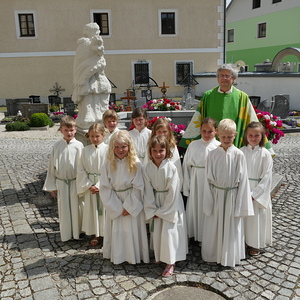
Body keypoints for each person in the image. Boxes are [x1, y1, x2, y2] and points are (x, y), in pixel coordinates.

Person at [201, 119, 254, 267]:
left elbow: (243, 181)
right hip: (217, 196)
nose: (226, 140)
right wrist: (209, 200)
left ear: (235, 135)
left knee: (231, 227)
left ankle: (230, 255)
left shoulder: (238, 155)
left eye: (229, 137)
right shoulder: (212, 154)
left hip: (232, 196)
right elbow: (207, 180)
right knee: (215, 225)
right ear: (217, 134)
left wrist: (241, 204)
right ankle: (214, 254)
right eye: (223, 136)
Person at [179, 64, 260, 150]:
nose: (224, 78)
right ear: (217, 78)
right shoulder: (208, 96)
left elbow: (251, 119)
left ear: (234, 78)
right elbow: (198, 118)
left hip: (233, 143)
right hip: (210, 143)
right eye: (221, 75)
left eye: (227, 76)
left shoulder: (242, 97)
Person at [100, 130, 149, 264]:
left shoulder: (136, 164)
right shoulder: (107, 164)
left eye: (123, 147)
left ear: (129, 146)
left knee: (131, 230)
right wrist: (117, 207)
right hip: (114, 200)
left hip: (131, 200)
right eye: (116, 147)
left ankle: (134, 256)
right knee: (117, 231)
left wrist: (129, 206)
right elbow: (105, 187)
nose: (120, 150)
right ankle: (118, 256)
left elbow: (139, 186)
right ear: (112, 147)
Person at [143, 135, 188, 277]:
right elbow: (147, 189)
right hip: (155, 201)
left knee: (169, 232)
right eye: (154, 151)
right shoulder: (146, 168)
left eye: (161, 150)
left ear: (167, 151)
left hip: (171, 203)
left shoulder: (171, 168)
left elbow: (173, 191)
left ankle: (170, 262)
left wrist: (164, 211)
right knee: (157, 231)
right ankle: (160, 255)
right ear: (150, 151)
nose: (158, 154)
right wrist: (152, 208)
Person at [43, 115, 84, 242]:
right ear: (61, 130)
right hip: (61, 183)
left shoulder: (79, 146)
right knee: (64, 208)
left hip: (75, 182)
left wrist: (83, 184)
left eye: (71, 130)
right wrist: (52, 186)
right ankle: (66, 234)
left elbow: (83, 167)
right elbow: (51, 167)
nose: (69, 133)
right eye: (66, 130)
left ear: (75, 130)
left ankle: (78, 233)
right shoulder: (57, 146)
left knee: (77, 207)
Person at [182, 117, 220, 243]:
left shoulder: (218, 146)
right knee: (196, 205)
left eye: (210, 131)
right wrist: (186, 186)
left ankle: (207, 236)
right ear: (200, 130)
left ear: (216, 131)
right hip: (196, 179)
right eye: (204, 131)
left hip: (211, 181)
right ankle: (194, 233)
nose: (207, 134)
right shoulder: (193, 145)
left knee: (208, 206)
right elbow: (186, 166)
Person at [240, 121, 273, 256]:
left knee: (256, 218)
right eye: (251, 135)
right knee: (244, 219)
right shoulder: (241, 152)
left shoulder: (265, 154)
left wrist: (254, 194)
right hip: (243, 188)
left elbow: (267, 177)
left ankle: (255, 243)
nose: (253, 138)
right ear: (246, 136)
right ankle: (243, 241)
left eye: (257, 135)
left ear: (262, 136)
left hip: (258, 192)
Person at [72, 23, 111, 129]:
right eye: (96, 30)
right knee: (89, 94)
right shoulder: (85, 44)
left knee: (101, 92)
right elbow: (82, 61)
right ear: (90, 31)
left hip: (97, 75)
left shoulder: (95, 42)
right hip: (87, 74)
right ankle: (88, 117)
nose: (98, 32)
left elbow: (99, 55)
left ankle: (101, 116)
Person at [76, 123, 108, 246]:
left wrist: (99, 185)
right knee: (93, 210)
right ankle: (97, 234)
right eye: (92, 136)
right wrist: (90, 185)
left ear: (103, 136)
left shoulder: (108, 149)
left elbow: (110, 169)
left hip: (104, 185)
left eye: (97, 136)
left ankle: (107, 233)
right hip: (90, 185)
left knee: (105, 210)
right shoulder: (85, 150)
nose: (94, 139)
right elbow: (81, 170)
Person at [150, 117, 183, 188]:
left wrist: (179, 185)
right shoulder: (151, 145)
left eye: (165, 131)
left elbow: (177, 166)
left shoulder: (172, 146)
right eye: (159, 131)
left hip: (169, 181)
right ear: (155, 132)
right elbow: (148, 162)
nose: (162, 134)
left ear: (169, 132)